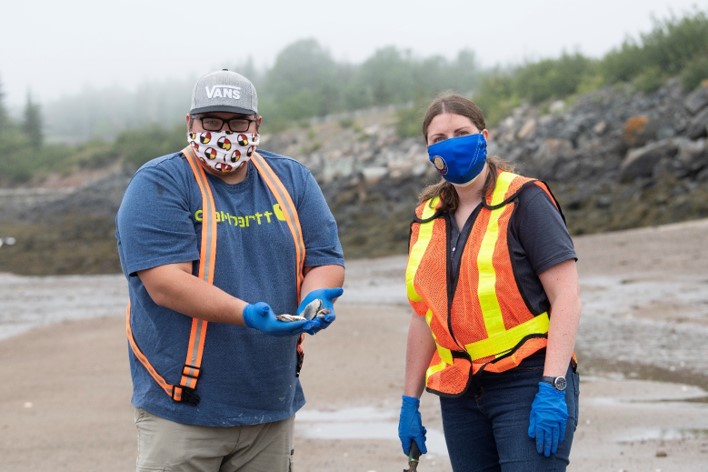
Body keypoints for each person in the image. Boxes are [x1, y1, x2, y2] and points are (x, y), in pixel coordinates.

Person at [115, 69, 345, 471]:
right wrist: (247, 316)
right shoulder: (159, 183)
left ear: (256, 125)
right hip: (183, 409)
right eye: (211, 121)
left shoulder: (292, 179)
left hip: (270, 407)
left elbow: (324, 258)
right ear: (190, 124)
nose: (224, 133)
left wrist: (317, 295)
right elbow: (166, 283)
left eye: (237, 122)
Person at [398, 93, 581, 471]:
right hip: (460, 391)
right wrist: (409, 402)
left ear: (484, 136)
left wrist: (554, 386)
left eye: (461, 132)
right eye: (439, 138)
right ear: (429, 150)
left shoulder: (524, 199)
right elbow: (424, 316)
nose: (451, 143)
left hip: (528, 381)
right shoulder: (426, 218)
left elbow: (567, 297)